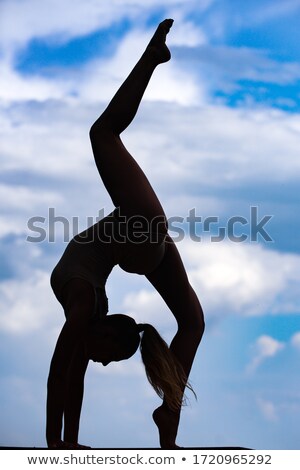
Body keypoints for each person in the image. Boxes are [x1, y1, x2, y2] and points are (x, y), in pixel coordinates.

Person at [46, 19, 204, 450]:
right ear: (104, 333)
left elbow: (63, 375)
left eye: (102, 358)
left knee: (193, 321)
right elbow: (65, 375)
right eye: (107, 357)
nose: (98, 362)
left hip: (138, 237)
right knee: (192, 321)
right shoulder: (85, 308)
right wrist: (60, 446)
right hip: (139, 235)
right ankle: (169, 415)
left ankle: (168, 417)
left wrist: (60, 446)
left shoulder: (83, 308)